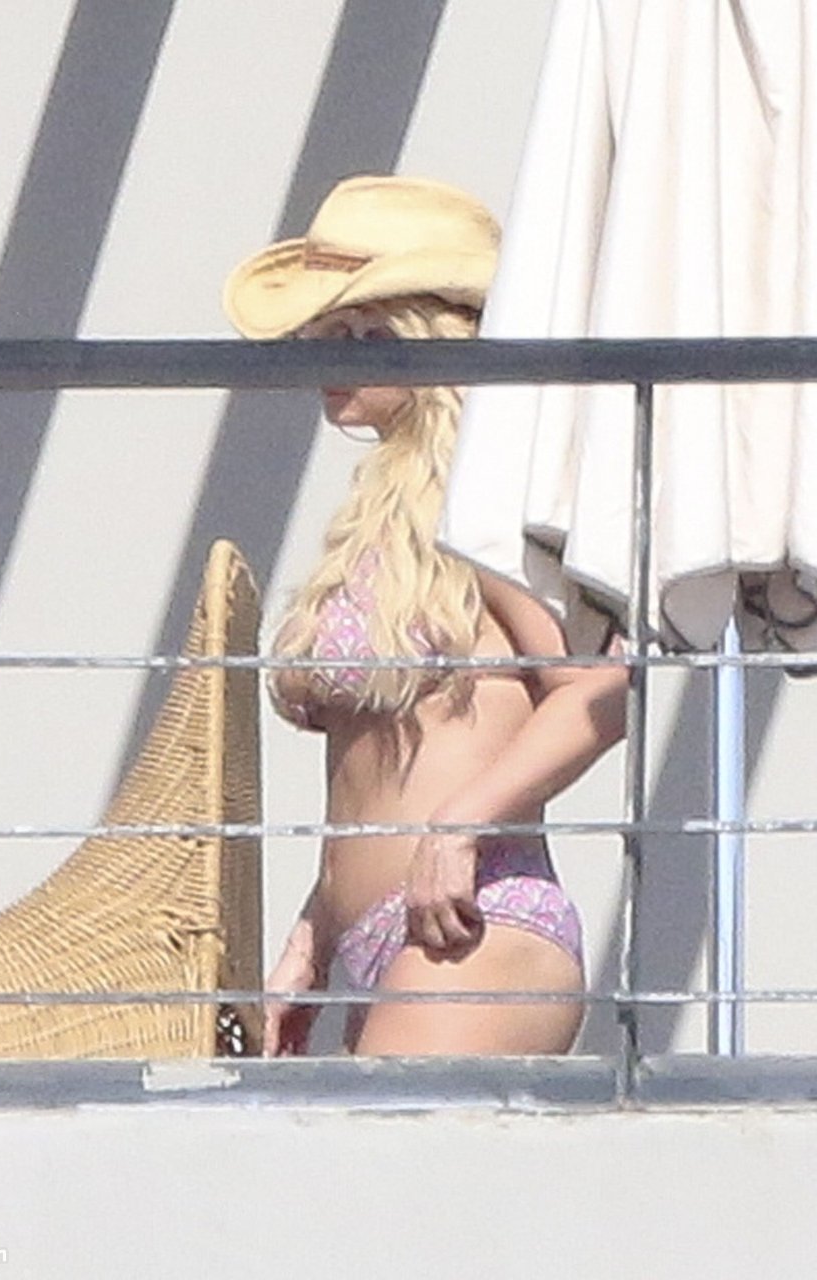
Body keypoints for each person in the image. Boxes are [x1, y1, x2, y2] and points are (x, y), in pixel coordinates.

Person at [223, 175, 628, 1056]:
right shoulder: (384, 516)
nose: (332, 358)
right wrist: (311, 940)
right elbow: (368, 773)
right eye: (324, 335)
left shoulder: (484, 505)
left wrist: (460, 826)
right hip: (388, 931)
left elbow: (599, 690)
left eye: (365, 334)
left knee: (375, 1150)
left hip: (476, 916)